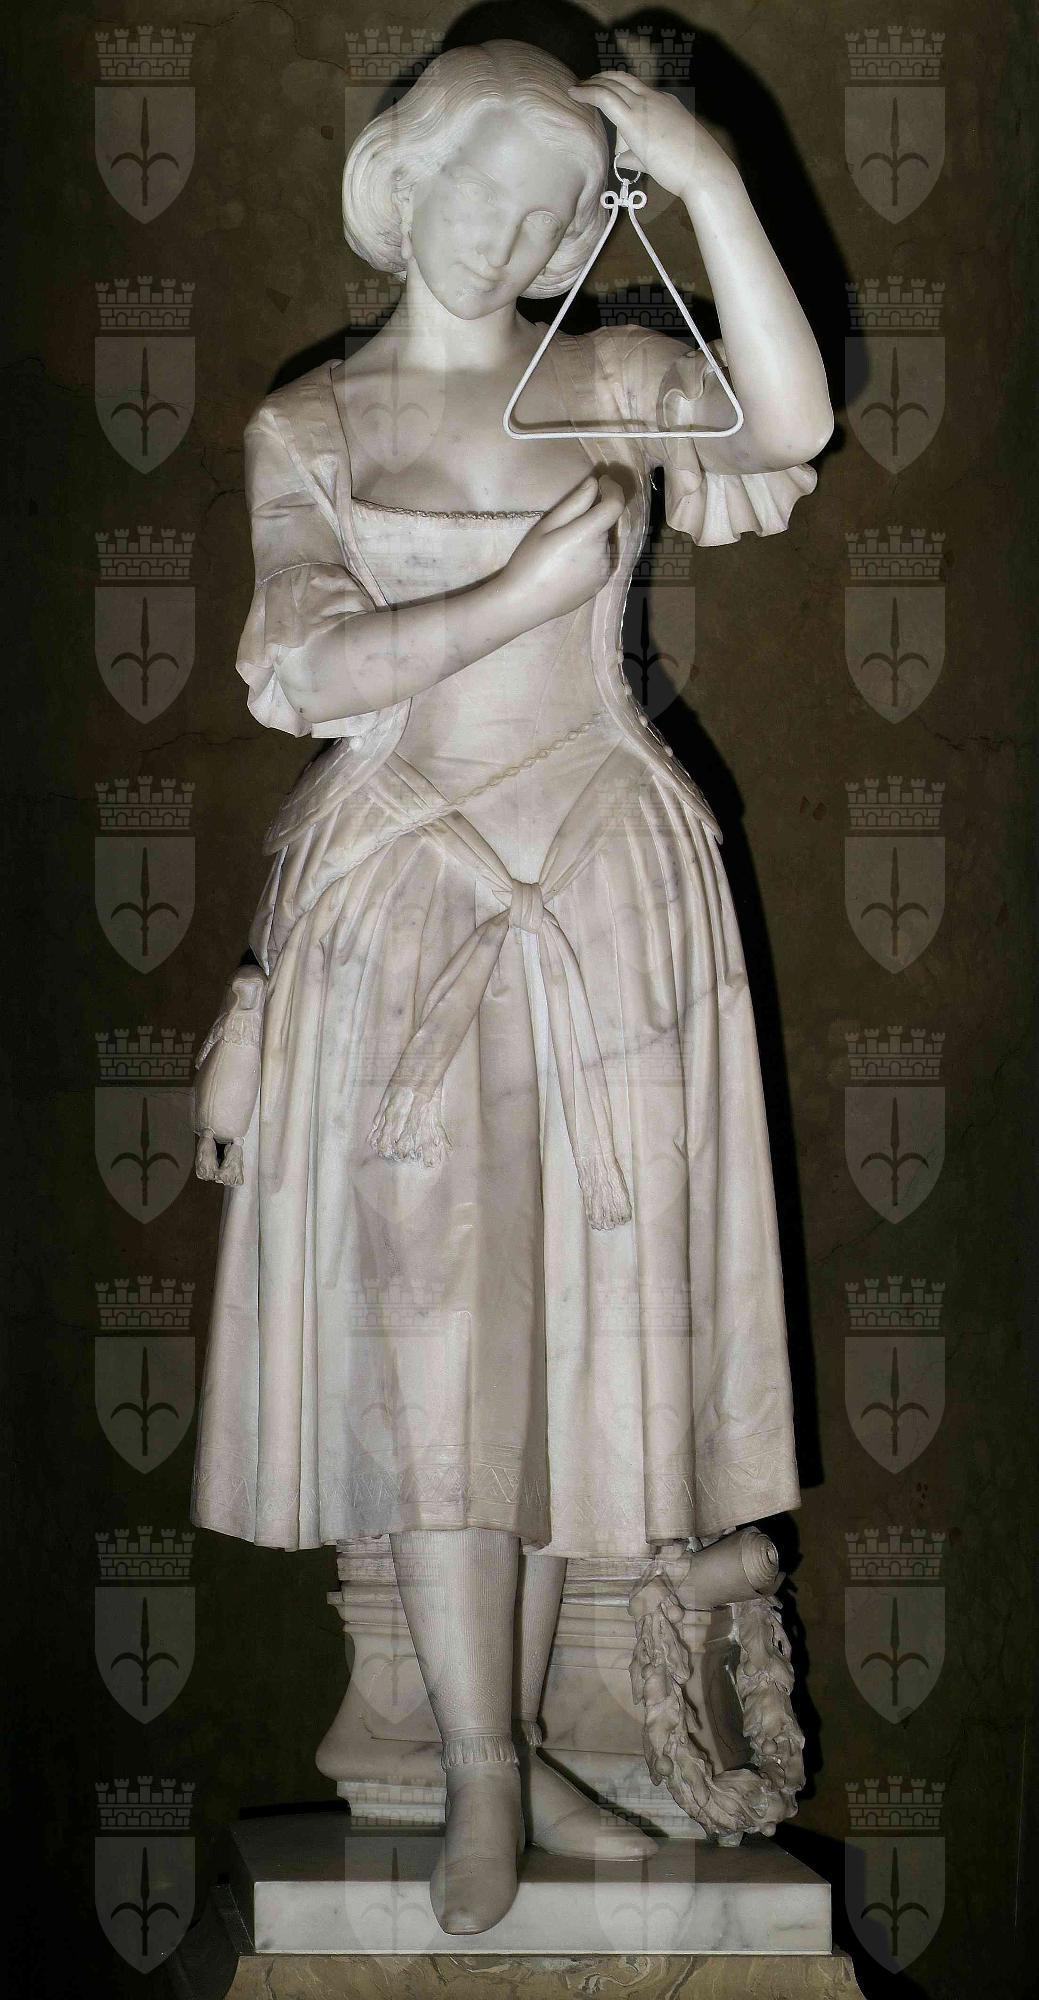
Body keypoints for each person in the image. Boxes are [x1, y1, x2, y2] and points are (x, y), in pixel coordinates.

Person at [190, 41, 833, 1933]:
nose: (517, 229)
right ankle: (478, 1766)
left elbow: (789, 419)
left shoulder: (607, 378)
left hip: (614, 892)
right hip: (408, 902)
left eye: (558, 208)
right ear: (406, 182)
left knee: (564, 1334)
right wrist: (516, 601)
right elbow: (304, 673)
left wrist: (702, 175)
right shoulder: (312, 424)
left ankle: (521, 1748)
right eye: (489, 184)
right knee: (439, 1334)